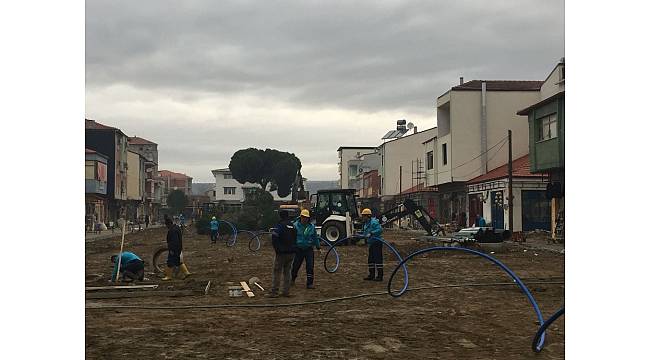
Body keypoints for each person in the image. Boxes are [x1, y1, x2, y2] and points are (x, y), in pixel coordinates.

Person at [268, 210, 297, 298]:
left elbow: (274, 238)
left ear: (280, 216)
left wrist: (278, 250)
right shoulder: (292, 225)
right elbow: (296, 237)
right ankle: (286, 291)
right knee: (287, 272)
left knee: (277, 272)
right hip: (291, 253)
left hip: (281, 253)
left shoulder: (279, 226)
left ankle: (275, 292)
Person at [290, 209, 320, 289]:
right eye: (303, 217)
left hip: (308, 249)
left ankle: (309, 283)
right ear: (300, 217)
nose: (304, 219)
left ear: (308, 218)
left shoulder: (311, 227)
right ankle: (292, 279)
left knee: (310, 266)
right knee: (296, 265)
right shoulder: (295, 226)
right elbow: (291, 237)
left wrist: (318, 247)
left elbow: (315, 237)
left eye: (306, 217)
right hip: (298, 249)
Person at [360, 208, 384, 281]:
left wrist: (372, 233)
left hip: (377, 243)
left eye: (363, 216)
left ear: (368, 216)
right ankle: (371, 275)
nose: (362, 218)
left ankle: (380, 276)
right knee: (371, 260)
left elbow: (380, 230)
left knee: (378, 259)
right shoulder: (366, 224)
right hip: (371, 243)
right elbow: (365, 234)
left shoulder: (374, 222)